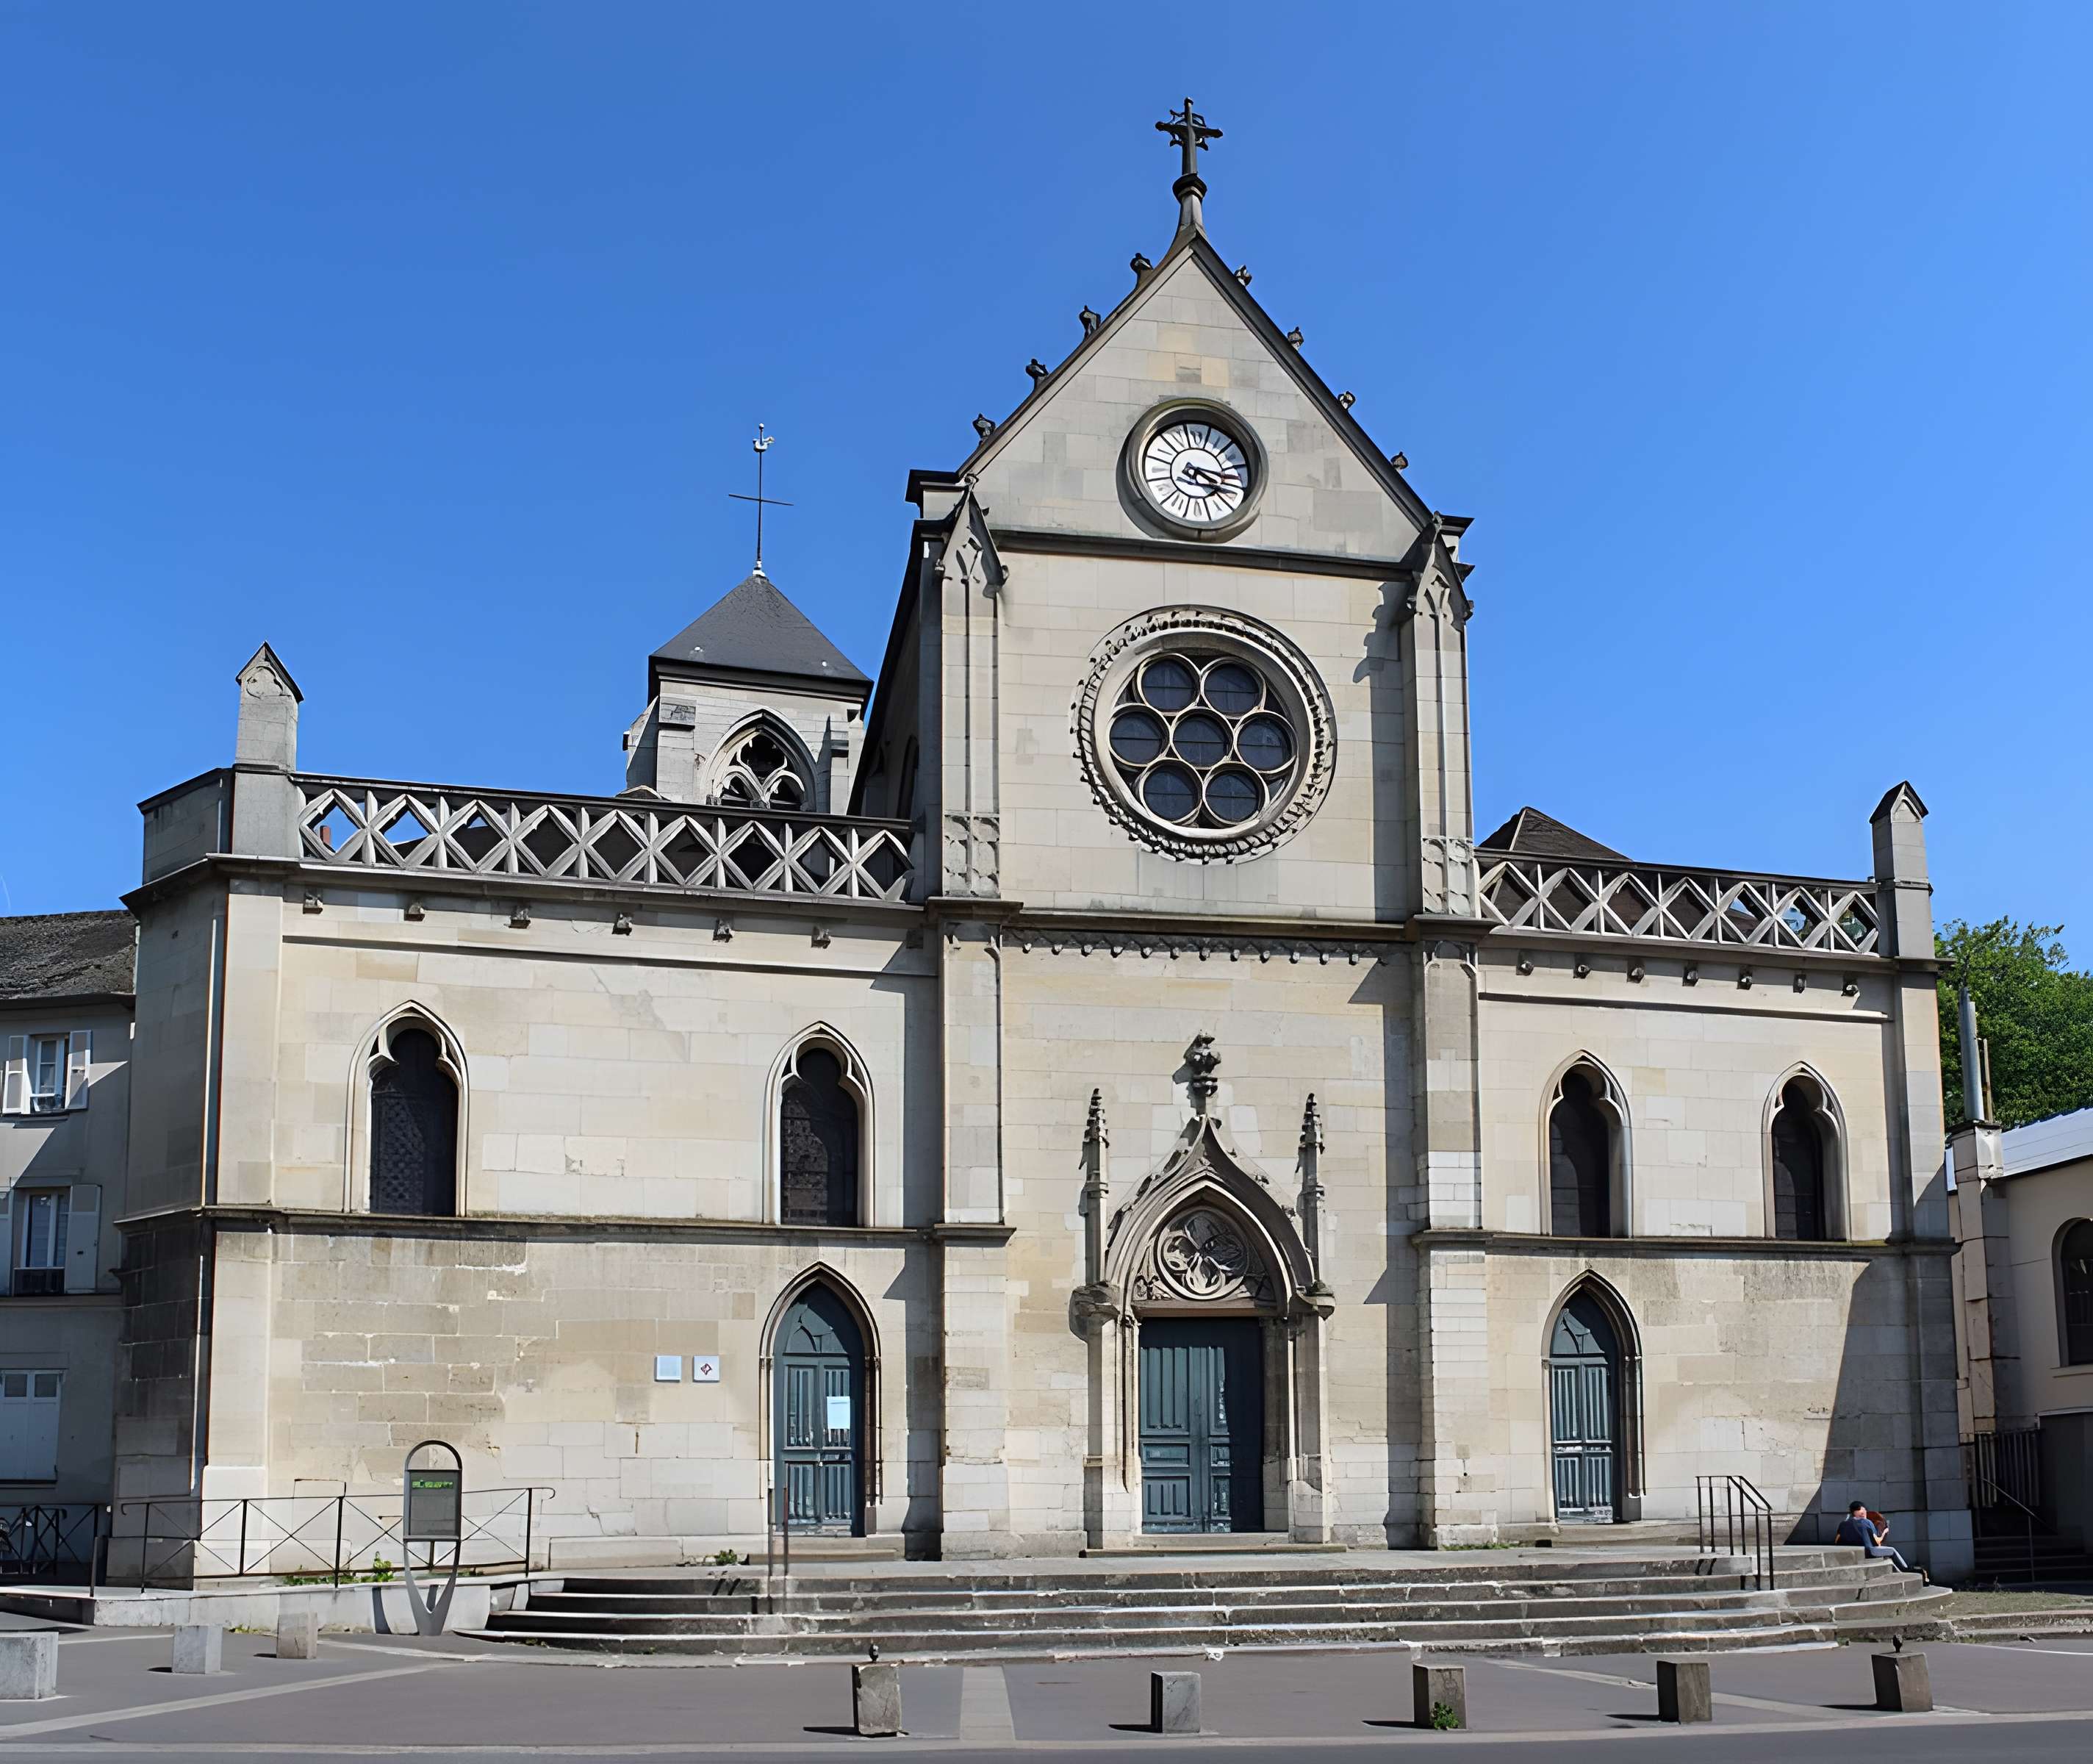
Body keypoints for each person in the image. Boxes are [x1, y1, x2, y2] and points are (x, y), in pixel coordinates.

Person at [1834, 1500, 1927, 1582]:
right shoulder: (1867, 1522)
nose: (1865, 1512)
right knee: (1892, 1551)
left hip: (1850, 1553)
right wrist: (1885, 1532)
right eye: (1864, 1510)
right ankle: (1906, 1569)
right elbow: (1877, 1542)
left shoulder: (1843, 1524)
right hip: (1868, 1552)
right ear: (1858, 1511)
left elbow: (1837, 1541)